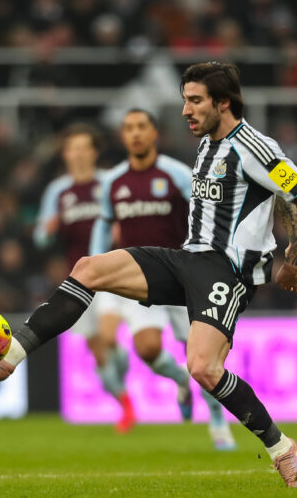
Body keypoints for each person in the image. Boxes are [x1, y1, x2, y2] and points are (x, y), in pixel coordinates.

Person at [0, 62, 297, 488]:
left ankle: (281, 448)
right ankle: (12, 356)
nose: (185, 109)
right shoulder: (207, 144)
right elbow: (267, 198)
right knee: (88, 269)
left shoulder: (255, 147)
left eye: (195, 100)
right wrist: (293, 230)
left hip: (226, 272)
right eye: (185, 99)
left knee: (203, 368)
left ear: (223, 102)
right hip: (187, 260)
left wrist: (293, 258)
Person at [90, 108, 236, 449]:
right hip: (142, 282)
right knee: (148, 349)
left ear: (154, 133)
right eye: (129, 128)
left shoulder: (178, 174)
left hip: (185, 277)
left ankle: (217, 422)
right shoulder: (113, 182)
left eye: (142, 126)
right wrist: (96, 265)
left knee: (203, 356)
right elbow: (102, 224)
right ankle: (181, 381)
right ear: (123, 137)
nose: (136, 133)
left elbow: (208, 215)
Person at [33, 123, 135, 432]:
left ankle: (125, 392)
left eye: (83, 147)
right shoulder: (57, 191)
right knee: (98, 351)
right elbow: (40, 238)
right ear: (65, 154)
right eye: (72, 148)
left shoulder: (109, 182)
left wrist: (123, 227)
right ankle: (125, 403)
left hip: (110, 273)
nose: (77, 154)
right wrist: (46, 231)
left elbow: (132, 216)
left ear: (93, 152)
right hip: (76, 280)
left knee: (106, 336)